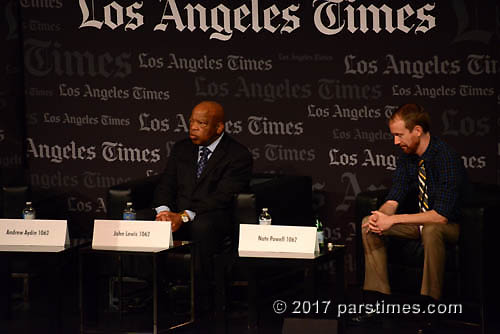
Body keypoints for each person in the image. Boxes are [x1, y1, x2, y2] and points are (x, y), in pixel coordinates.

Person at [358, 103, 467, 329]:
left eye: (399, 135)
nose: (396, 142)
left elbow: (441, 216)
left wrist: (394, 220)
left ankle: (430, 307)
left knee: (431, 229)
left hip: (448, 226)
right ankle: (378, 302)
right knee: (368, 223)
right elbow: (393, 199)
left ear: (417, 130)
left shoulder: (445, 157)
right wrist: (382, 215)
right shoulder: (407, 158)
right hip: (418, 223)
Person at [153, 101, 253, 314]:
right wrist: (163, 212)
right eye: (191, 122)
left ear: (218, 128)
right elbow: (166, 183)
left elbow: (222, 196)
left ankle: (204, 302)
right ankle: (155, 297)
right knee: (146, 221)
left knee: (203, 227)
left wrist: (184, 216)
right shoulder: (181, 149)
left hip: (212, 215)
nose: (193, 127)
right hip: (176, 214)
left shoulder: (237, 155)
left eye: (201, 123)